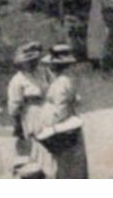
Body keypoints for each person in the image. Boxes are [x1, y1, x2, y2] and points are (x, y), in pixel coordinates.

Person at [33, 46, 88, 179]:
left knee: (65, 160)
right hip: (62, 121)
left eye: (52, 66)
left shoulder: (62, 82)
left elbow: (61, 106)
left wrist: (53, 125)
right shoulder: (62, 80)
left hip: (62, 125)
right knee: (67, 160)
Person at [5, 42, 53, 158]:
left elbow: (53, 86)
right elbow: (14, 106)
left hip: (48, 110)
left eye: (34, 60)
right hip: (32, 114)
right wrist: (18, 125)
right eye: (28, 61)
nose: (32, 64)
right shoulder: (17, 80)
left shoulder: (44, 72)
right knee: (38, 145)